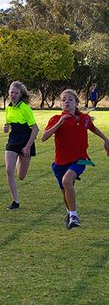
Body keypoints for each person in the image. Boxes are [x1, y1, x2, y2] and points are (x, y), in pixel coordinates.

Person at [41, 89, 109, 229]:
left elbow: (93, 128)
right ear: (60, 104)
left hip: (81, 159)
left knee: (67, 180)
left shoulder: (84, 118)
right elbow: (43, 137)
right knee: (65, 190)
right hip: (59, 163)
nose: (67, 101)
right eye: (64, 99)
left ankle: (74, 216)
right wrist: (60, 122)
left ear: (76, 103)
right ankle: (70, 213)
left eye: (70, 99)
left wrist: (106, 139)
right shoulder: (56, 119)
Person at [4, 81, 39, 210]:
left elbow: (35, 129)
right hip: (13, 141)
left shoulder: (25, 108)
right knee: (9, 170)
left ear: (20, 94)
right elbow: (8, 123)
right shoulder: (8, 107)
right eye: (11, 92)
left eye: (16, 93)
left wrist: (28, 146)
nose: (13, 95)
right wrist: (6, 127)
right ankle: (15, 201)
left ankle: (20, 157)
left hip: (26, 142)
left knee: (21, 176)